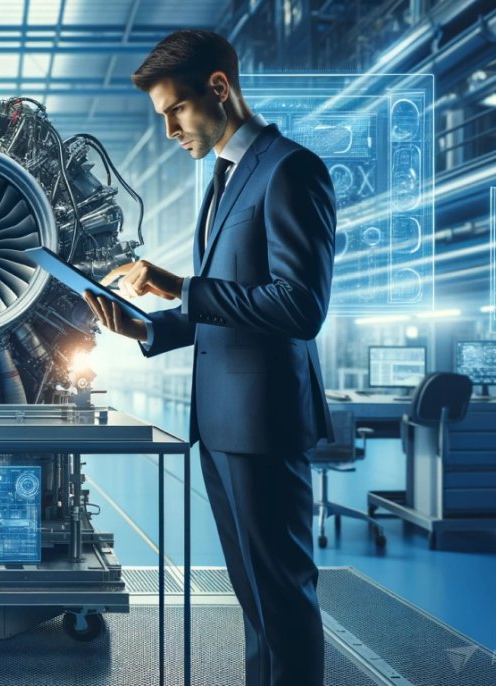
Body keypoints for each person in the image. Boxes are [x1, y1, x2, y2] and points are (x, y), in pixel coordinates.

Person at [84, 29, 336, 686]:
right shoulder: (225, 177)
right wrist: (147, 329)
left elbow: (299, 307)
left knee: (281, 597)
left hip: (263, 423)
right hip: (225, 425)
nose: (169, 129)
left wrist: (176, 285)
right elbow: (228, 311)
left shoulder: (290, 170)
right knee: (257, 602)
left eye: (176, 110)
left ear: (218, 88)